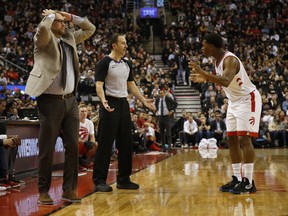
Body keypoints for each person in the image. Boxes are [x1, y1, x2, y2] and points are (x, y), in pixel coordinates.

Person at [25, 9, 95, 204]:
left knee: (73, 146)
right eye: (60, 22)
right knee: (47, 148)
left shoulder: (69, 39)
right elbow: (42, 29)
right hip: (50, 101)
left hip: (71, 101)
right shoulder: (44, 40)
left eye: (64, 23)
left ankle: (69, 189)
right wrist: (50, 16)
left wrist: (69, 16)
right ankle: (43, 191)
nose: (63, 25)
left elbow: (90, 28)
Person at [190, 32, 262, 194]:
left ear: (212, 46)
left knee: (244, 138)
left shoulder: (230, 60)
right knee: (231, 139)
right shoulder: (216, 60)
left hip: (247, 99)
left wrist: (203, 73)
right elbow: (220, 79)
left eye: (204, 45)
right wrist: (205, 78)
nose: (202, 48)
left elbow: (225, 81)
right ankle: (237, 178)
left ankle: (249, 182)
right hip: (234, 101)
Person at [93, 33, 156, 192]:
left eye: (125, 43)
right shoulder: (104, 62)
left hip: (123, 104)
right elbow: (99, 85)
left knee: (126, 143)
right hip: (109, 103)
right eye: (122, 43)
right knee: (106, 144)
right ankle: (100, 180)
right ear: (114, 45)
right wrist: (103, 100)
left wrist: (143, 100)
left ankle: (124, 179)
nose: (126, 45)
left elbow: (131, 85)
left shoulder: (127, 63)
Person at [78, 104, 98, 169]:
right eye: (82, 111)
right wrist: (83, 142)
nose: (84, 113)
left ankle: (84, 159)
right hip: (77, 144)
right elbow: (73, 138)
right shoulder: (75, 122)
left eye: (85, 111)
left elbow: (92, 136)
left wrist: (92, 143)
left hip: (85, 144)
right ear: (78, 112)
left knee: (96, 144)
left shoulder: (89, 122)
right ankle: (78, 161)